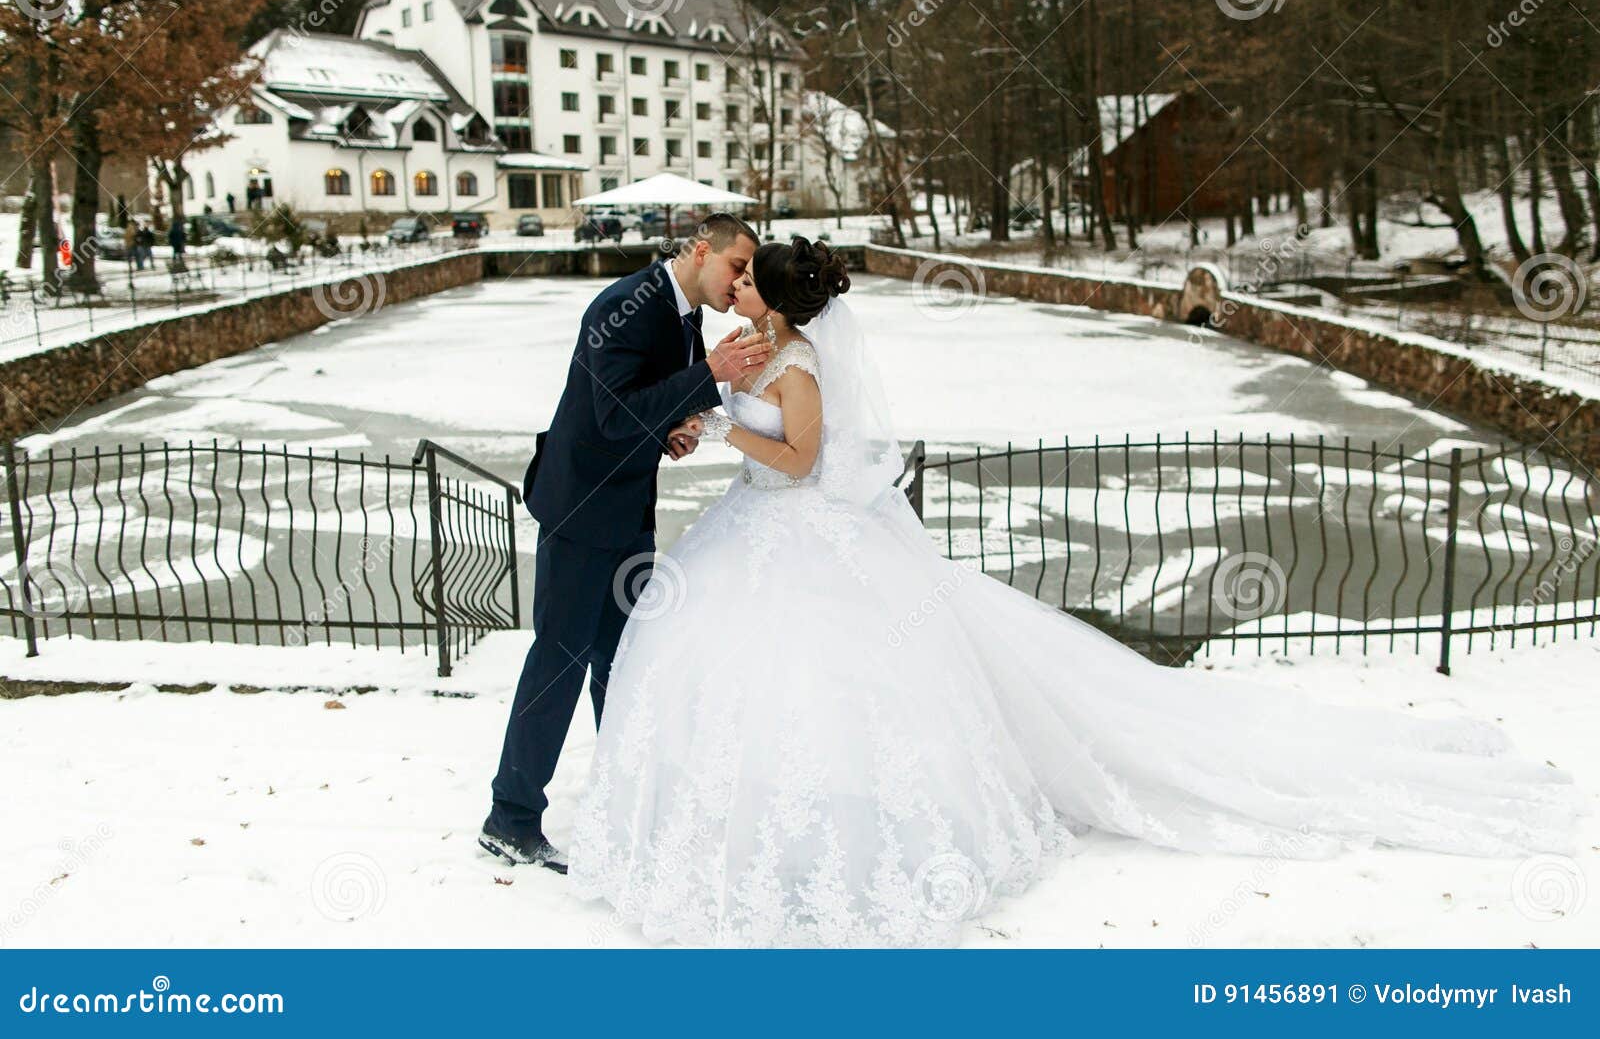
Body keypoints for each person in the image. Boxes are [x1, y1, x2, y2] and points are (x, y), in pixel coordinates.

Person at [561, 237, 1589, 947]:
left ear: (774, 299)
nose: (730, 285)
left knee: (831, 689)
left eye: (745, 280)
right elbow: (743, 425)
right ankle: (749, 823)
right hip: (757, 539)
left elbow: (796, 462)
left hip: (802, 533)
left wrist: (727, 426)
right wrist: (701, 412)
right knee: (762, 686)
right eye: (732, 276)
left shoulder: (799, 369)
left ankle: (845, 830)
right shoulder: (757, 348)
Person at [479, 213, 773, 871]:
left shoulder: (685, 317)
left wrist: (671, 432)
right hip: (581, 512)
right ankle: (510, 816)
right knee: (559, 660)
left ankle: (623, 801)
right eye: (736, 267)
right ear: (703, 251)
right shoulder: (622, 306)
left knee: (624, 661)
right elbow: (610, 412)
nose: (739, 283)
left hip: (627, 511)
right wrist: (712, 373)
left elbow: (636, 409)